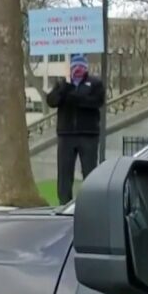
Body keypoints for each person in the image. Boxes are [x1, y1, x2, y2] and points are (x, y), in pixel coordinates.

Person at [46, 53, 106, 205]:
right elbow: (52, 101)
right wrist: (65, 88)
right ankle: (64, 203)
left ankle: (92, 204)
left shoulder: (95, 84)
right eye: (75, 66)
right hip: (66, 135)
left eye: (81, 66)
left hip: (88, 135)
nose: (78, 69)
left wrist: (73, 97)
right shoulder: (62, 85)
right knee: (65, 172)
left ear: (85, 68)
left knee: (90, 172)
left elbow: (95, 102)